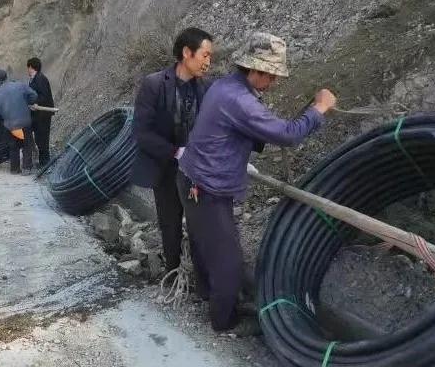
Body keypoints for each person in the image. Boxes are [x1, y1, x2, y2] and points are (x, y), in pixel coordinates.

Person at [177, 33, 337, 335]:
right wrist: (319, 108)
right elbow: (288, 135)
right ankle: (224, 322)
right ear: (255, 70)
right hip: (206, 188)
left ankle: (207, 296)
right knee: (230, 263)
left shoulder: (224, 85)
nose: (273, 82)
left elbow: (245, 128)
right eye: (272, 75)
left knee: (203, 244)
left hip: (191, 179)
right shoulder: (240, 100)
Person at [131, 28, 213, 276]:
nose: (208, 62)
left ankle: (202, 283)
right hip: (166, 168)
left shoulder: (206, 89)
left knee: (201, 226)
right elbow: (141, 132)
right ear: (187, 53)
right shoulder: (154, 84)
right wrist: (176, 152)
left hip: (197, 173)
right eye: (205, 55)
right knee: (170, 224)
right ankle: (172, 272)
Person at [0, 77, 38, 175]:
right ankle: (26, 168)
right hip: (23, 121)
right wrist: (27, 102)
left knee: (13, 145)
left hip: (9, 123)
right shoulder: (21, 86)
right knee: (27, 144)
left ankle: (14, 169)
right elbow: (34, 96)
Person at [26, 57, 55, 169]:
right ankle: (42, 161)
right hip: (37, 114)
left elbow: (44, 95)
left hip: (43, 114)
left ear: (31, 67)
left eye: (28, 68)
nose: (27, 70)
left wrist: (36, 103)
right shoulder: (34, 78)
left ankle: (45, 163)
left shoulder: (40, 79)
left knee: (42, 137)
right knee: (39, 137)